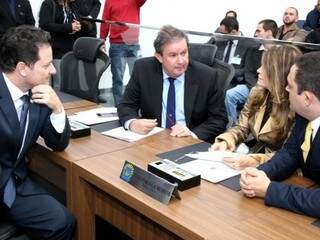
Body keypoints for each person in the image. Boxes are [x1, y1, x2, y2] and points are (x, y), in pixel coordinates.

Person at [0, 26, 75, 239]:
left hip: (14, 186)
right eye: (47, 65)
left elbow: (57, 143)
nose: (53, 71)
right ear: (23, 68)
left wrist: (58, 109)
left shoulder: (38, 94)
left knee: (63, 222)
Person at [240, 51, 320, 218]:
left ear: (306, 98)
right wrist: (260, 174)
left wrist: (270, 190)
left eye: (290, 86)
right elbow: (290, 154)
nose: (285, 88)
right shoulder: (305, 115)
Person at [117, 25, 228, 142]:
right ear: (159, 57)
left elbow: (219, 119)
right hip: (153, 140)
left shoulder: (207, 76)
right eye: (173, 55)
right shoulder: (143, 69)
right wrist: (132, 123)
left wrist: (193, 134)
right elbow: (126, 105)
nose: (181, 61)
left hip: (189, 143)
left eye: (184, 53)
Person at [210, 45, 302, 169]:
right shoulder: (257, 92)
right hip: (252, 159)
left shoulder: (297, 106)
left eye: (265, 67)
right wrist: (226, 141)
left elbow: (289, 155)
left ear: (278, 73)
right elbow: (241, 127)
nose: (258, 70)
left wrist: (254, 160)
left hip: (279, 168)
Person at [225, 19, 278, 125]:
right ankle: (233, 125)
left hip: (273, 89)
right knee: (230, 95)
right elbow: (248, 72)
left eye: (259, 31)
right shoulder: (253, 49)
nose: (255, 33)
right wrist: (255, 88)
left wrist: (268, 89)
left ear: (269, 33)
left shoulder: (281, 52)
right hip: (252, 86)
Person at [100, 0, 146, 106]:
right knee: (118, 78)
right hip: (117, 45)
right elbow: (105, 20)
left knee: (138, 76)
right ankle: (120, 106)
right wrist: (102, 39)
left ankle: (137, 104)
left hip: (134, 44)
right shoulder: (110, 1)